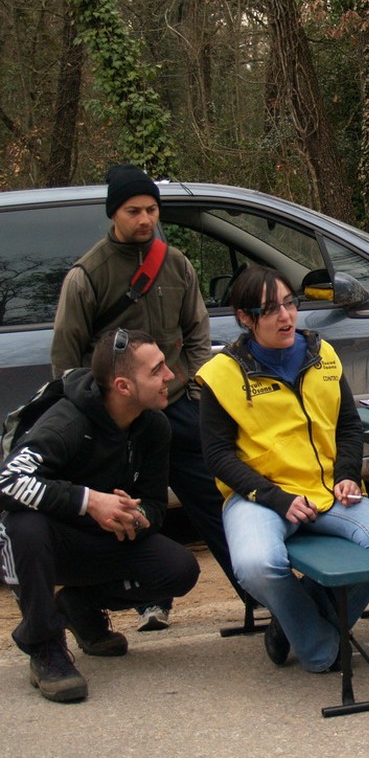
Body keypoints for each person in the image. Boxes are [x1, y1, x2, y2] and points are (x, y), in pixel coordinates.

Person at [50, 163, 244, 631]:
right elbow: (66, 358)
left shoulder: (176, 264)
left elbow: (197, 332)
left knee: (216, 500)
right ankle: (148, 602)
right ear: (113, 214)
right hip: (121, 419)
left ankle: (260, 594)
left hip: (177, 405)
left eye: (151, 210)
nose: (144, 219)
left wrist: (194, 389)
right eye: (133, 211)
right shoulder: (87, 275)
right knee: (131, 509)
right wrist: (97, 414)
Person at [197, 265, 369, 673]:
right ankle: (318, 647)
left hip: (328, 489)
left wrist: (347, 474)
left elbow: (348, 425)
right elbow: (218, 456)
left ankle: (290, 624)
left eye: (289, 304)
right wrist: (275, 498)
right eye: (269, 309)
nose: (285, 316)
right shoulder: (220, 375)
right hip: (260, 496)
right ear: (244, 318)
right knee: (257, 564)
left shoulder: (322, 354)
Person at [0, 329, 201, 702]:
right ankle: (45, 647)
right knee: (24, 526)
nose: (170, 376)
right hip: (50, 546)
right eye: (156, 370)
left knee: (179, 568)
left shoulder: (154, 426)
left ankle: (81, 605)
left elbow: (155, 505)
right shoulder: (68, 422)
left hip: (103, 541)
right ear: (123, 386)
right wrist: (89, 501)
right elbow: (7, 481)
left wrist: (137, 516)